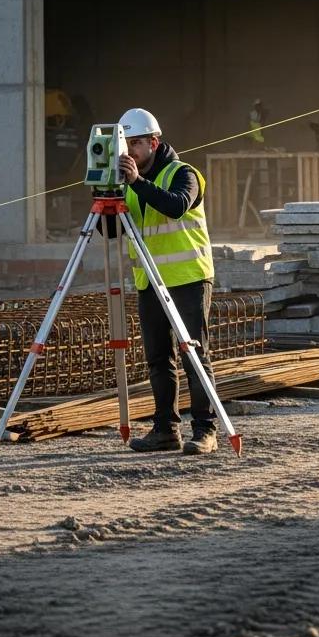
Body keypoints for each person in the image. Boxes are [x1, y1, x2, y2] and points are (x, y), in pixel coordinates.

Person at [114, 107, 219, 454]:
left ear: (154, 142)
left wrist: (136, 183)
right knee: (159, 358)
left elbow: (176, 206)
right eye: (126, 144)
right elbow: (109, 231)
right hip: (149, 281)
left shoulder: (184, 173)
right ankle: (165, 430)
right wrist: (105, 194)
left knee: (193, 355)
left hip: (187, 278)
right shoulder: (129, 184)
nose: (130, 151)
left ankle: (205, 430)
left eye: (136, 143)